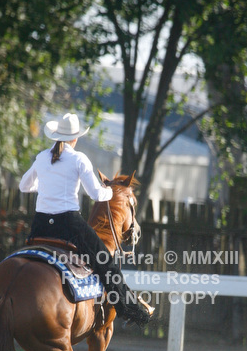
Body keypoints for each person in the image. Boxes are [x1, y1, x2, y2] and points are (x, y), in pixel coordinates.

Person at [19, 112, 152, 328]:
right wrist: (113, 192)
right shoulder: (78, 159)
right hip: (68, 224)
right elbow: (97, 194)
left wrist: (45, 185)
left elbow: (24, 186)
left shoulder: (42, 157)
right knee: (106, 263)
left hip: (40, 225)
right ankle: (132, 311)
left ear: (56, 135)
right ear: (75, 138)